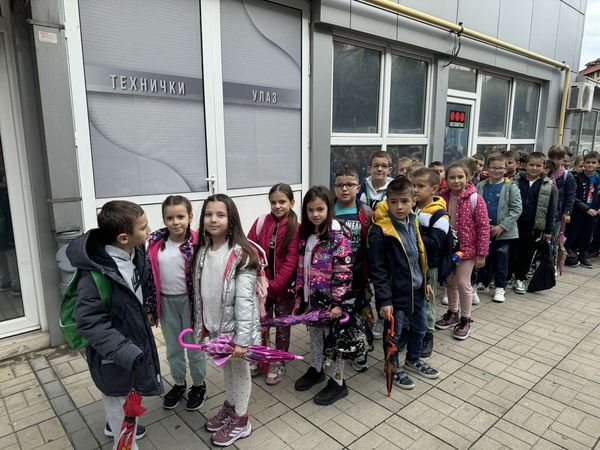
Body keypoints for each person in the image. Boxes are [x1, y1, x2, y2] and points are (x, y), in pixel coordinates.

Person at [67, 201, 159, 450]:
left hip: (132, 347)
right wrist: (126, 351)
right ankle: (124, 442)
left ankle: (114, 425)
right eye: (143, 227)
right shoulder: (96, 275)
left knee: (125, 399)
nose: (149, 230)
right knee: (119, 402)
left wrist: (148, 310)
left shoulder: (135, 252)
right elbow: (89, 322)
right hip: (113, 357)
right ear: (123, 237)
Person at [193, 194, 259, 446]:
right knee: (227, 370)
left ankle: (242, 421)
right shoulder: (203, 251)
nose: (213, 219)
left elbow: (245, 301)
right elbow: (201, 293)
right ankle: (231, 408)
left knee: (239, 371)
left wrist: (242, 340)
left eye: (220, 214)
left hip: (235, 332)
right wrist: (202, 326)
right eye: (208, 214)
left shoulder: (242, 254)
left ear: (231, 220)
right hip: (216, 328)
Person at [368, 176, 439, 389]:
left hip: (416, 288)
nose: (399, 207)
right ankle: (391, 367)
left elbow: (419, 253)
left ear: (413, 201)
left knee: (420, 327)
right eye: (394, 202)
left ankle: (413, 359)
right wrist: (384, 300)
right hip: (394, 293)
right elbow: (378, 270)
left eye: (404, 201)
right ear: (387, 202)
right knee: (394, 334)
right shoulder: (380, 230)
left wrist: (426, 280)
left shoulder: (413, 221)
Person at [145, 195, 206, 410]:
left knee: (195, 347)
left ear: (190, 217)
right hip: (166, 303)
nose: (175, 222)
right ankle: (179, 383)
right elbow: (149, 279)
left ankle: (199, 385)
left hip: (191, 305)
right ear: (164, 219)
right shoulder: (155, 244)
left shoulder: (199, 243)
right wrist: (150, 308)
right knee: (173, 348)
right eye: (170, 218)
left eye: (180, 216)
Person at [294, 186, 353, 405]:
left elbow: (344, 271)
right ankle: (316, 368)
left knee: (334, 340)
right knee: (315, 335)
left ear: (329, 208)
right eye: (310, 210)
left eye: (320, 209)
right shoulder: (307, 235)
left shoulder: (338, 235)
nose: (315, 214)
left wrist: (338, 302)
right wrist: (301, 297)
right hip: (312, 300)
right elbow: (303, 267)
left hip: (331, 304)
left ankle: (338, 382)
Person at [247, 183, 299, 385]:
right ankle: (261, 357)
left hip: (283, 290)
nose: (277, 206)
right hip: (262, 289)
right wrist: (259, 282)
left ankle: (278, 360)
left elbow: (291, 261)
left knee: (282, 326)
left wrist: (273, 285)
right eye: (273, 202)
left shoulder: (296, 228)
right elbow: (250, 249)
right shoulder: (261, 222)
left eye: (282, 202)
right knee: (261, 324)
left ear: (292, 202)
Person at [435, 162, 490, 340]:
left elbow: (483, 227)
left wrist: (481, 254)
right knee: (450, 282)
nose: (456, 180)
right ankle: (453, 313)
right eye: (452, 177)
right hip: (448, 250)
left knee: (463, 283)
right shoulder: (441, 198)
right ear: (446, 179)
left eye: (460, 177)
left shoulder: (475, 199)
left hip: (468, 250)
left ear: (468, 178)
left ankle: (466, 319)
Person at [333, 167, 373, 372]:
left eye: (349, 185)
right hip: (335, 278)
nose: (344, 189)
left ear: (358, 188)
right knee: (338, 315)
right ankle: (337, 347)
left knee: (359, 314)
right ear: (334, 188)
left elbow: (372, 244)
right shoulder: (328, 210)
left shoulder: (366, 212)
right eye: (340, 185)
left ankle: (360, 351)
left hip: (359, 275)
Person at [475, 153, 522, 303]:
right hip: (484, 230)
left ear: (506, 169)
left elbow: (517, 209)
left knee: (502, 259)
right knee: (484, 257)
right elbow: (475, 206)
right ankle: (482, 283)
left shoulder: (511, 187)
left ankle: (500, 287)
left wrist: (502, 226)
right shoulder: (481, 185)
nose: (497, 170)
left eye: (500, 168)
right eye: (493, 167)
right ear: (487, 169)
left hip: (503, 232)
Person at [412, 167, 449, 356]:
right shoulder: (411, 207)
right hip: (410, 263)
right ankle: (409, 331)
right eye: (413, 185)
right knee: (410, 298)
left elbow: (435, 243)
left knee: (427, 300)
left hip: (429, 266)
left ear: (434, 189)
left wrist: (412, 234)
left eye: (420, 186)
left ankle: (428, 333)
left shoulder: (440, 215)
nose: (415, 190)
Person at [513, 152, 556, 294]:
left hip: (534, 227)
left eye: (538, 165)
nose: (534, 168)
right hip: (515, 223)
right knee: (513, 251)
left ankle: (520, 278)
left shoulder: (547, 185)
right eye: (531, 165)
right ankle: (509, 276)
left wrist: (548, 230)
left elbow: (551, 209)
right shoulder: (516, 181)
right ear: (525, 165)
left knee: (527, 253)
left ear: (544, 168)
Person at [565, 151, 600, 268]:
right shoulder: (577, 177)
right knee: (571, 235)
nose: (590, 165)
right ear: (583, 163)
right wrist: (586, 209)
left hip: (593, 213)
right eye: (588, 162)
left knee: (587, 236)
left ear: (598, 164)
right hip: (578, 211)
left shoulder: (598, 177)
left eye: (593, 162)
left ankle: (583, 257)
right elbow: (573, 196)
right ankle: (565, 256)